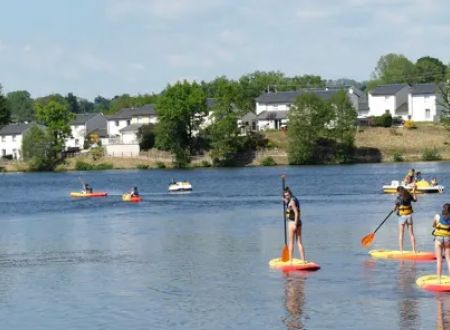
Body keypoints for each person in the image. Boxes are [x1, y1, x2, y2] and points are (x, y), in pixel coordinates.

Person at [283, 187, 305, 261]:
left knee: (291, 242)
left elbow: (296, 213)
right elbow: (290, 205)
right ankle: (303, 260)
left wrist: (295, 224)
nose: (287, 196)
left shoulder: (291, 202)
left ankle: (290, 260)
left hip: (293, 223)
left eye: (288, 195)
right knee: (299, 242)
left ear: (290, 194)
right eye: (285, 195)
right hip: (299, 222)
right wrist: (285, 201)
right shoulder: (294, 199)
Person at [395, 186, 417, 253]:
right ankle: (414, 251)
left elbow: (396, 206)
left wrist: (394, 209)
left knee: (401, 234)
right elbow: (415, 200)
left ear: (399, 191)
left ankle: (401, 251)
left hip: (402, 217)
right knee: (411, 234)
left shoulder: (399, 198)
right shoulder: (409, 196)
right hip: (409, 216)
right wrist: (414, 192)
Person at [432, 203, 450, 282]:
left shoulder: (437, 216)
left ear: (443, 209)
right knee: (448, 260)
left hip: (438, 239)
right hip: (448, 240)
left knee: (439, 260)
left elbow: (433, 225)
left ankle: (439, 280)